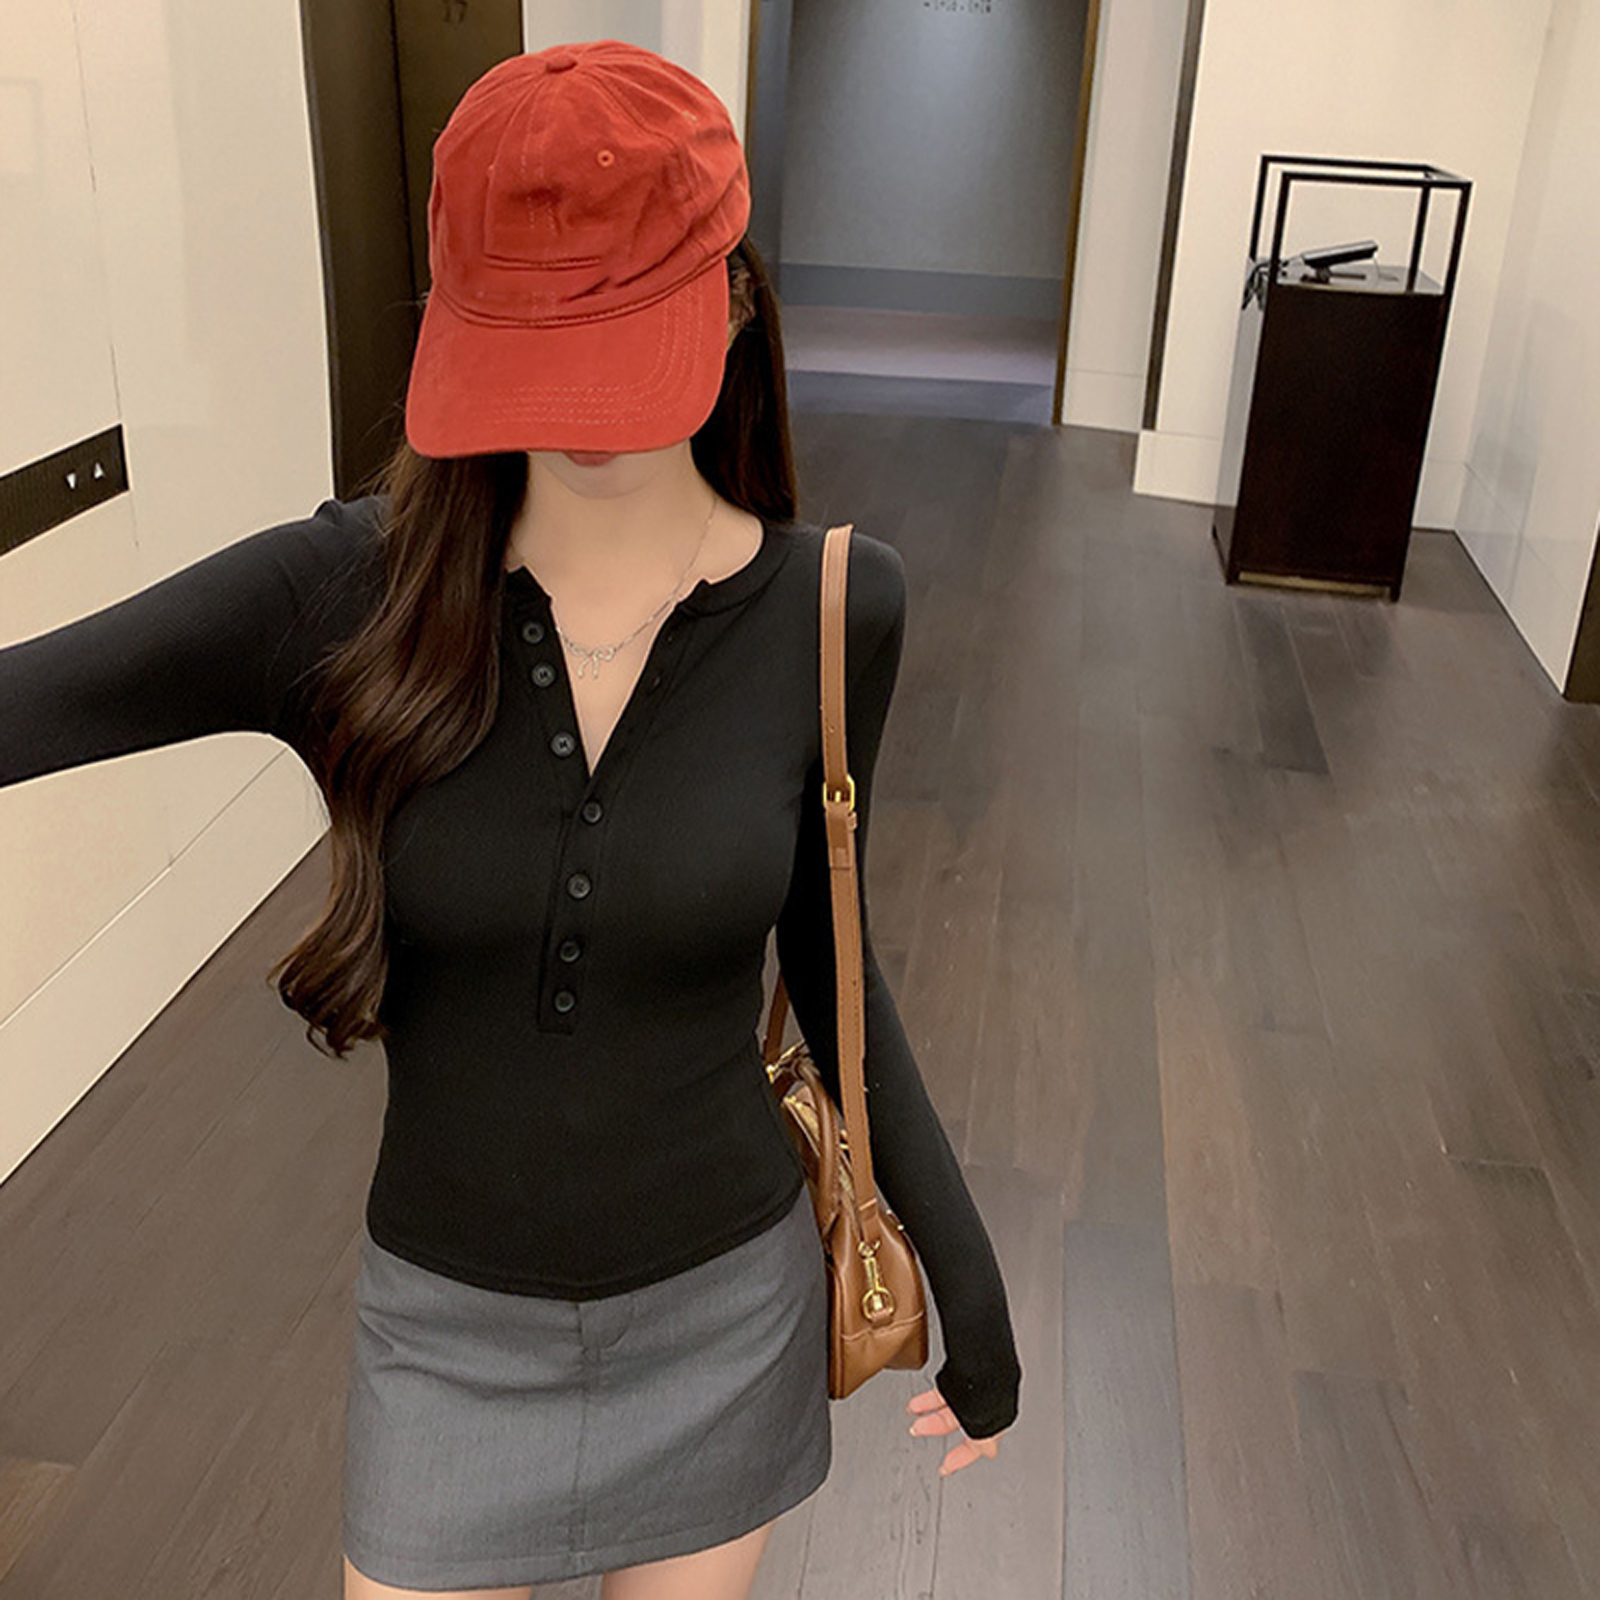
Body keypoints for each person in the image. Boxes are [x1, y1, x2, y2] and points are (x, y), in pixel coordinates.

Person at [0, 39, 1021, 1600]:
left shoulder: (835, 609)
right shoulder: (342, 594)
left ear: (733, 301)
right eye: (540, 347)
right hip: (445, 1335)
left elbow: (832, 964)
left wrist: (968, 1273)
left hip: (723, 1311)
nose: (585, 417)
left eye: (621, 344)